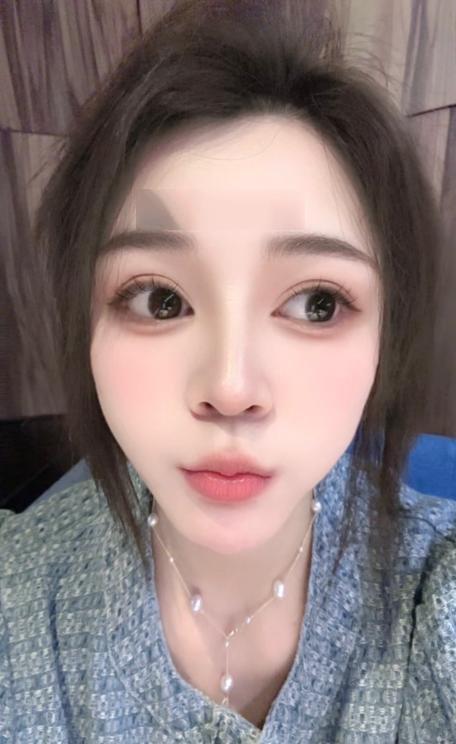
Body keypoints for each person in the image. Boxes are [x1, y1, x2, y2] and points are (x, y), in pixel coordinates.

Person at [1, 0, 455, 740]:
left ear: (387, 335)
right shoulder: (19, 600)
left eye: (316, 303)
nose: (231, 389)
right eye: (159, 299)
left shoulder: (435, 602)